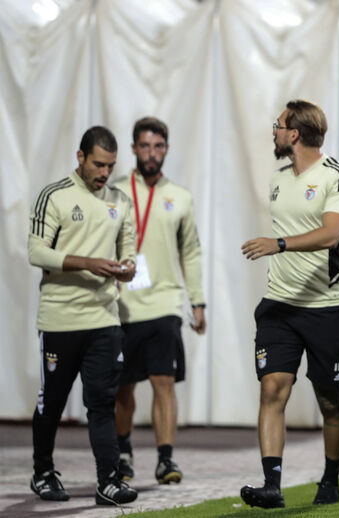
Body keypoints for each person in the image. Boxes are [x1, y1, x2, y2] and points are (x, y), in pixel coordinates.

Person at [239, 100, 339, 508]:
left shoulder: (337, 176)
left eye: (278, 125)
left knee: (329, 400)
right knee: (273, 388)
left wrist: (279, 244)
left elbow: (329, 235)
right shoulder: (278, 178)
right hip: (279, 305)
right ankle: (272, 485)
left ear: (294, 133)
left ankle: (330, 478)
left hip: (326, 308)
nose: (273, 131)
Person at [27, 126, 139, 505]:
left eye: (110, 165)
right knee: (52, 403)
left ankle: (108, 480)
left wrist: (127, 268)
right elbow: (36, 252)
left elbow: (130, 253)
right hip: (59, 319)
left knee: (101, 402)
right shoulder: (54, 196)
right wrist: (87, 263)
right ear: (80, 158)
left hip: (104, 319)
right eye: (98, 164)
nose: (104, 173)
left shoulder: (120, 201)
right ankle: (42, 472)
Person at [112, 117, 206, 485]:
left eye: (159, 146)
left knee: (163, 379)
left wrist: (197, 302)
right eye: (145, 146)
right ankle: (123, 452)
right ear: (134, 148)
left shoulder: (179, 197)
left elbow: (192, 252)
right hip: (122, 304)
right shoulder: (116, 193)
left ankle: (165, 459)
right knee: (123, 387)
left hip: (166, 302)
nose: (152, 153)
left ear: (166, 149)